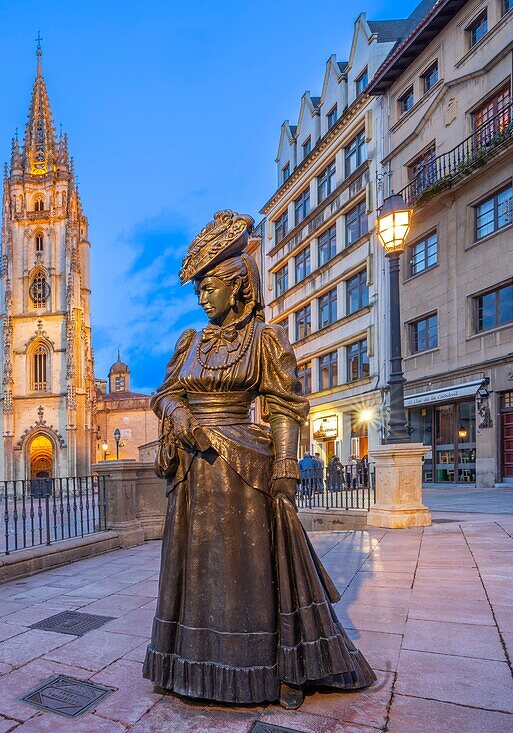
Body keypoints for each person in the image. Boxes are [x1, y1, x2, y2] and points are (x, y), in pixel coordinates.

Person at [145, 210, 374, 709]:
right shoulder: (191, 341)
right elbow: (163, 393)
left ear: (237, 287)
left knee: (245, 572)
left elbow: (287, 405)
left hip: (241, 471)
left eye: (210, 288)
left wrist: (285, 473)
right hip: (192, 473)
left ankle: (264, 668)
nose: (203, 297)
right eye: (199, 290)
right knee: (196, 570)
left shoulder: (264, 339)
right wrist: (178, 415)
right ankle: (185, 663)